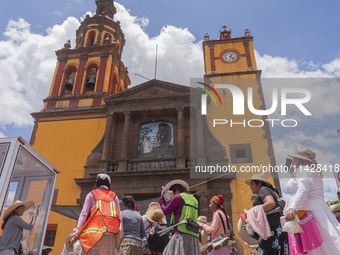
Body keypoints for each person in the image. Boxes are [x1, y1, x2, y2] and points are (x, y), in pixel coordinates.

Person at [284, 146, 340, 254]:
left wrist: (292, 208)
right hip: (311, 211)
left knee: (318, 248)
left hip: (310, 213)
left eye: (294, 159)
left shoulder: (304, 170)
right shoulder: (305, 170)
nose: (292, 161)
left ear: (299, 160)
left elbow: (303, 190)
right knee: (325, 246)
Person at [72, 173, 122, 255]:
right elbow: (119, 216)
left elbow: (84, 213)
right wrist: (121, 235)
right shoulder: (114, 196)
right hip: (111, 232)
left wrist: (78, 231)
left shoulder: (91, 194)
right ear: (109, 184)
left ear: (97, 183)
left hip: (94, 233)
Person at [245, 173, 289, 255]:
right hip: (277, 229)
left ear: (259, 184)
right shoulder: (272, 191)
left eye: (252, 184)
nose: (251, 187)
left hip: (270, 230)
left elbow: (271, 203)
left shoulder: (263, 189)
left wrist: (252, 212)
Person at [160, 179, 200, 255]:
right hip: (193, 236)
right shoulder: (195, 200)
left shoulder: (178, 197)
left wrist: (162, 199)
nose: (173, 195)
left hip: (181, 234)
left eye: (173, 193)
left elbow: (165, 211)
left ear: (177, 190)